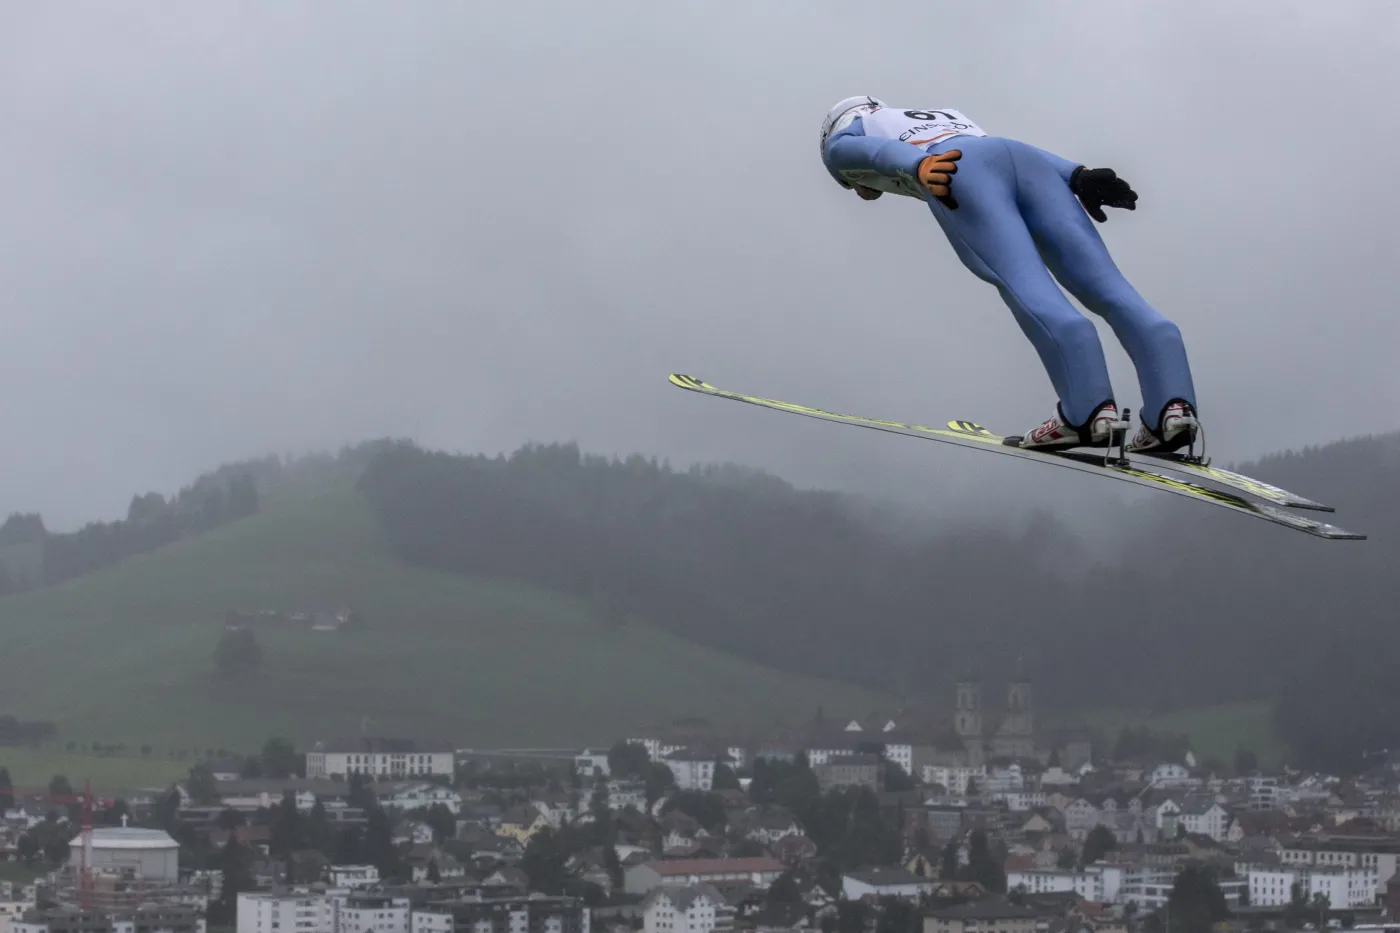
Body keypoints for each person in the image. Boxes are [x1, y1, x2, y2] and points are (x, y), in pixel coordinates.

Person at [819, 96, 1199, 453]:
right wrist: (1076, 175)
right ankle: (1172, 408)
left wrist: (915, 166)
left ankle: (1085, 413)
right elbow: (1003, 151)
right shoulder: (932, 116)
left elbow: (855, 152)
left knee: (1025, 284)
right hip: (1022, 161)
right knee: (1110, 289)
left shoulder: (849, 134)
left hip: (956, 169)